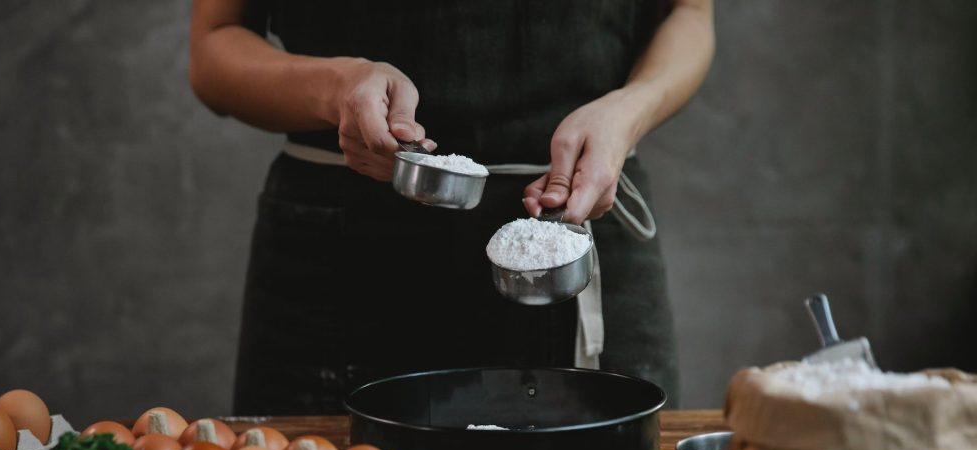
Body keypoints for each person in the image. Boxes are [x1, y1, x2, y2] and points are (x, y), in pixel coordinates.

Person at [189, 0, 715, 415]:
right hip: (342, 255)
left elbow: (688, 12)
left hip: (579, 233)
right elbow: (214, 44)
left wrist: (631, 109)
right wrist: (335, 88)